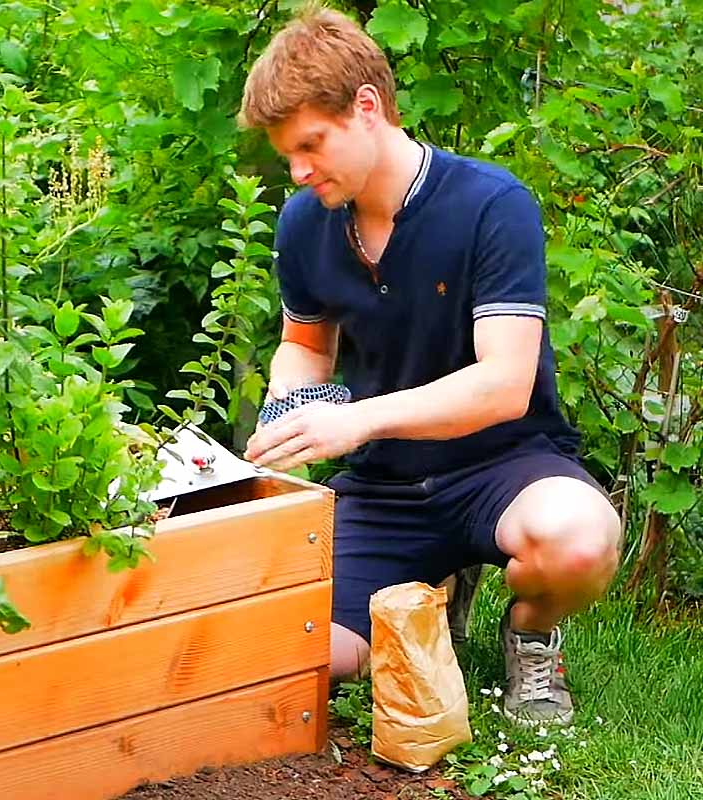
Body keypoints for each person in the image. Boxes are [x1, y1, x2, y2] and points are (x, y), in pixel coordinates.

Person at [239, 4, 620, 726]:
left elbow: (505, 385)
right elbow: (305, 344)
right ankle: (429, 591)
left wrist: (352, 421)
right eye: (288, 152)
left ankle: (531, 632)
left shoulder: (491, 206)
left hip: (506, 466)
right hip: (384, 488)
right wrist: (288, 414)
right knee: (302, 660)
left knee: (579, 541)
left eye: (311, 145)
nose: (297, 170)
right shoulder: (304, 224)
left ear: (368, 107)